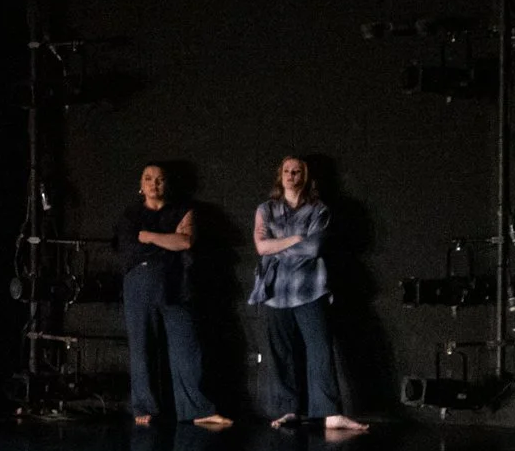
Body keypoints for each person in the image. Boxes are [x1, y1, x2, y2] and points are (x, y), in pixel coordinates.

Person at [251, 155, 367, 433]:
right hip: (275, 290)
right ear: (280, 175)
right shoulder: (266, 209)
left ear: (305, 177)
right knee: (281, 352)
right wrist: (296, 239)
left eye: (297, 171)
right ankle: (289, 409)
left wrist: (277, 245)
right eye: (287, 171)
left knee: (320, 351)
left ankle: (330, 413)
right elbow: (261, 247)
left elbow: (314, 249)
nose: (291, 175)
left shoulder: (318, 210)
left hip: (310, 288)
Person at [115, 164, 231, 428]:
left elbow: (185, 242)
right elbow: (131, 249)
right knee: (142, 345)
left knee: (187, 346)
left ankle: (197, 408)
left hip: (176, 282)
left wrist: (149, 237)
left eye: (159, 179)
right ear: (141, 184)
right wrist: (168, 241)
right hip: (140, 282)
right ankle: (145, 407)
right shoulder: (131, 216)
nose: (154, 183)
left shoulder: (183, 210)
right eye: (148, 178)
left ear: (166, 184)